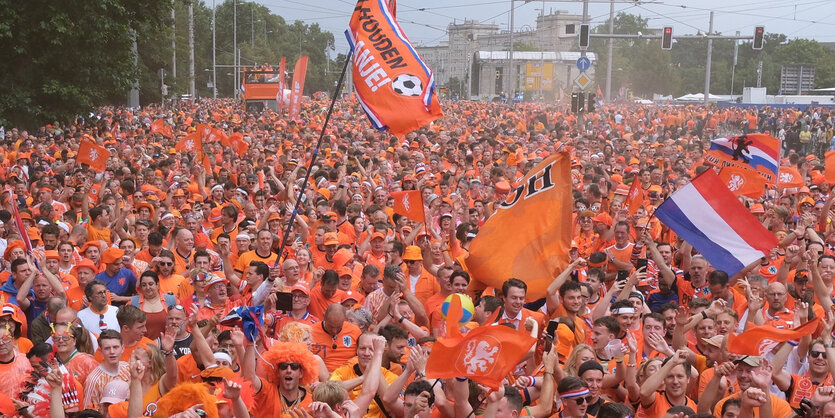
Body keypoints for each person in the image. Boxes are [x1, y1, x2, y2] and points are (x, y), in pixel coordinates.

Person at [329, 332, 399, 418]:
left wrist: (375, 369)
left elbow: (391, 407)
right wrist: (363, 378)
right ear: (357, 350)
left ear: (380, 352)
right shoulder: (342, 372)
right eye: (362, 348)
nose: (366, 353)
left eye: (372, 349)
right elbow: (330, 392)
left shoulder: (390, 376)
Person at [83, 329, 131, 410]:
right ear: (101, 351)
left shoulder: (127, 368)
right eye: (107, 348)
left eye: (115, 347)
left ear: (122, 348)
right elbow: (89, 412)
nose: (112, 352)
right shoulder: (94, 380)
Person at [130, 270, 178, 340]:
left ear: (157, 285)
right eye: (144, 285)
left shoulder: (172, 300)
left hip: (168, 345)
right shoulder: (133, 302)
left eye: (151, 284)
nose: (147, 288)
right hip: (141, 347)